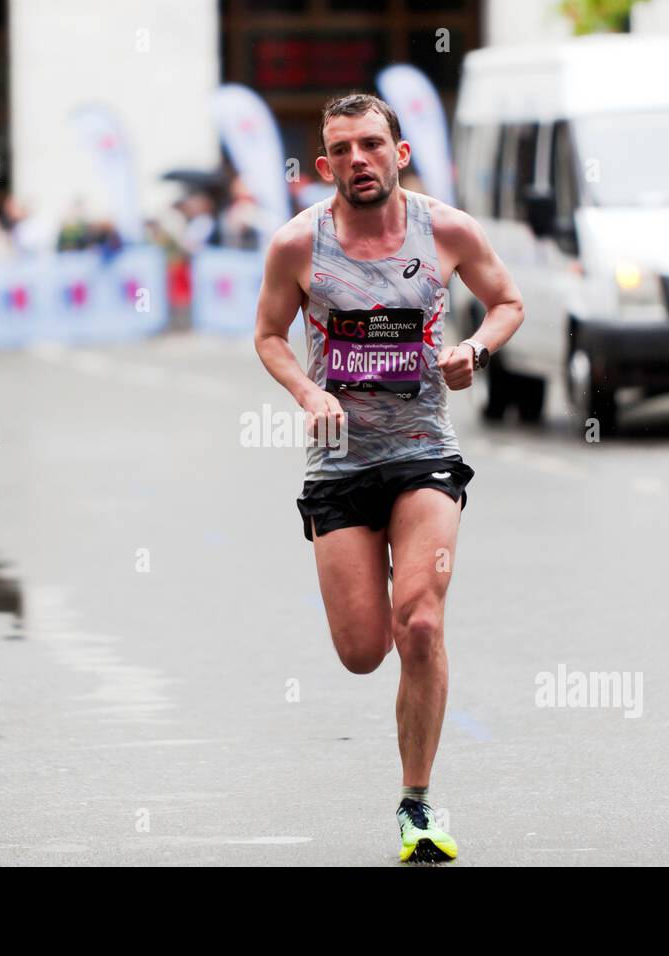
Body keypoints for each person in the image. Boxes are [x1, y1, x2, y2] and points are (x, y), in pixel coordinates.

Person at [253, 93, 525, 863]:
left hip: (422, 450)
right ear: (323, 164)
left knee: (423, 622)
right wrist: (308, 392)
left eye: (372, 144)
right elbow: (269, 334)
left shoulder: (446, 229)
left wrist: (474, 349)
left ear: (399, 153)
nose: (358, 161)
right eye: (342, 150)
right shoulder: (295, 246)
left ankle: (418, 806)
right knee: (364, 649)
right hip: (340, 462)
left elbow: (508, 301)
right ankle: (373, 591)